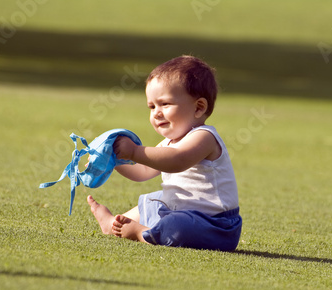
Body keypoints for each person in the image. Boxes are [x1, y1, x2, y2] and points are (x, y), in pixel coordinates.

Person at [87, 55, 242, 251]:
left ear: (199, 107)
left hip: (215, 225)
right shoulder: (169, 142)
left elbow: (178, 160)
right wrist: (113, 160)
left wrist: (134, 151)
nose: (156, 113)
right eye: (152, 106)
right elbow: (142, 171)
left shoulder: (205, 137)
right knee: (155, 202)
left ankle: (141, 233)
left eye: (165, 104)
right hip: (181, 213)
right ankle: (113, 225)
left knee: (177, 225)